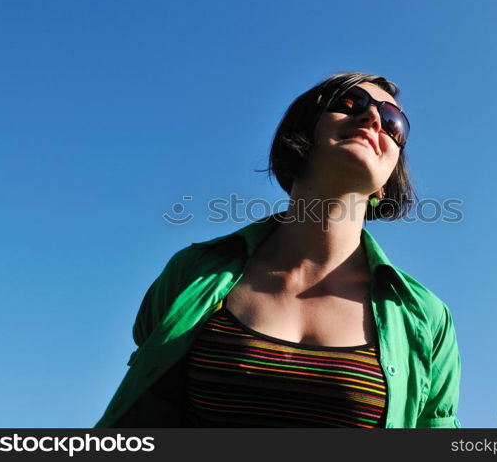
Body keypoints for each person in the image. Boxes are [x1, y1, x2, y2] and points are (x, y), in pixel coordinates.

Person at [94, 72, 461, 428]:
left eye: (393, 121)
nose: (372, 118)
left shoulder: (426, 319)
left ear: (388, 183)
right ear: (301, 133)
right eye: (350, 103)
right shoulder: (192, 273)